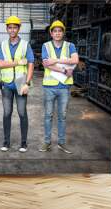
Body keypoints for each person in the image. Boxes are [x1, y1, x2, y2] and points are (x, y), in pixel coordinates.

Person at [39, 20, 79, 153]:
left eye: (59, 31)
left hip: (64, 87)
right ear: (51, 33)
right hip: (49, 87)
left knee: (62, 116)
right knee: (48, 116)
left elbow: (75, 60)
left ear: (63, 33)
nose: (57, 33)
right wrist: (63, 70)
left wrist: (55, 60)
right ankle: (47, 142)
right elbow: (45, 64)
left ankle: (61, 143)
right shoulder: (46, 45)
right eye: (54, 31)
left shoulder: (70, 46)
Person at [0, 16, 34, 153]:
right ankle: (6, 142)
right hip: (6, 84)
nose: (12, 30)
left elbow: (30, 64)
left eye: (15, 27)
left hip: (20, 83)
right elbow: (0, 64)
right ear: (7, 29)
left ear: (19, 29)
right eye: (10, 27)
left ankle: (23, 143)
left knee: (22, 113)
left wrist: (27, 83)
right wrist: (18, 62)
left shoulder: (25, 45)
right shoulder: (3, 45)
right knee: (7, 113)